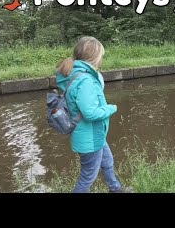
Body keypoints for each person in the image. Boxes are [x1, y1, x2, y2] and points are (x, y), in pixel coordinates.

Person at [55, 36, 132, 193]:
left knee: (107, 161)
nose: (102, 59)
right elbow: (90, 113)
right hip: (88, 137)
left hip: (94, 134)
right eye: (101, 55)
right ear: (94, 56)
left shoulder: (76, 74)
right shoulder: (85, 80)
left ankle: (115, 188)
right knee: (87, 177)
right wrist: (111, 108)